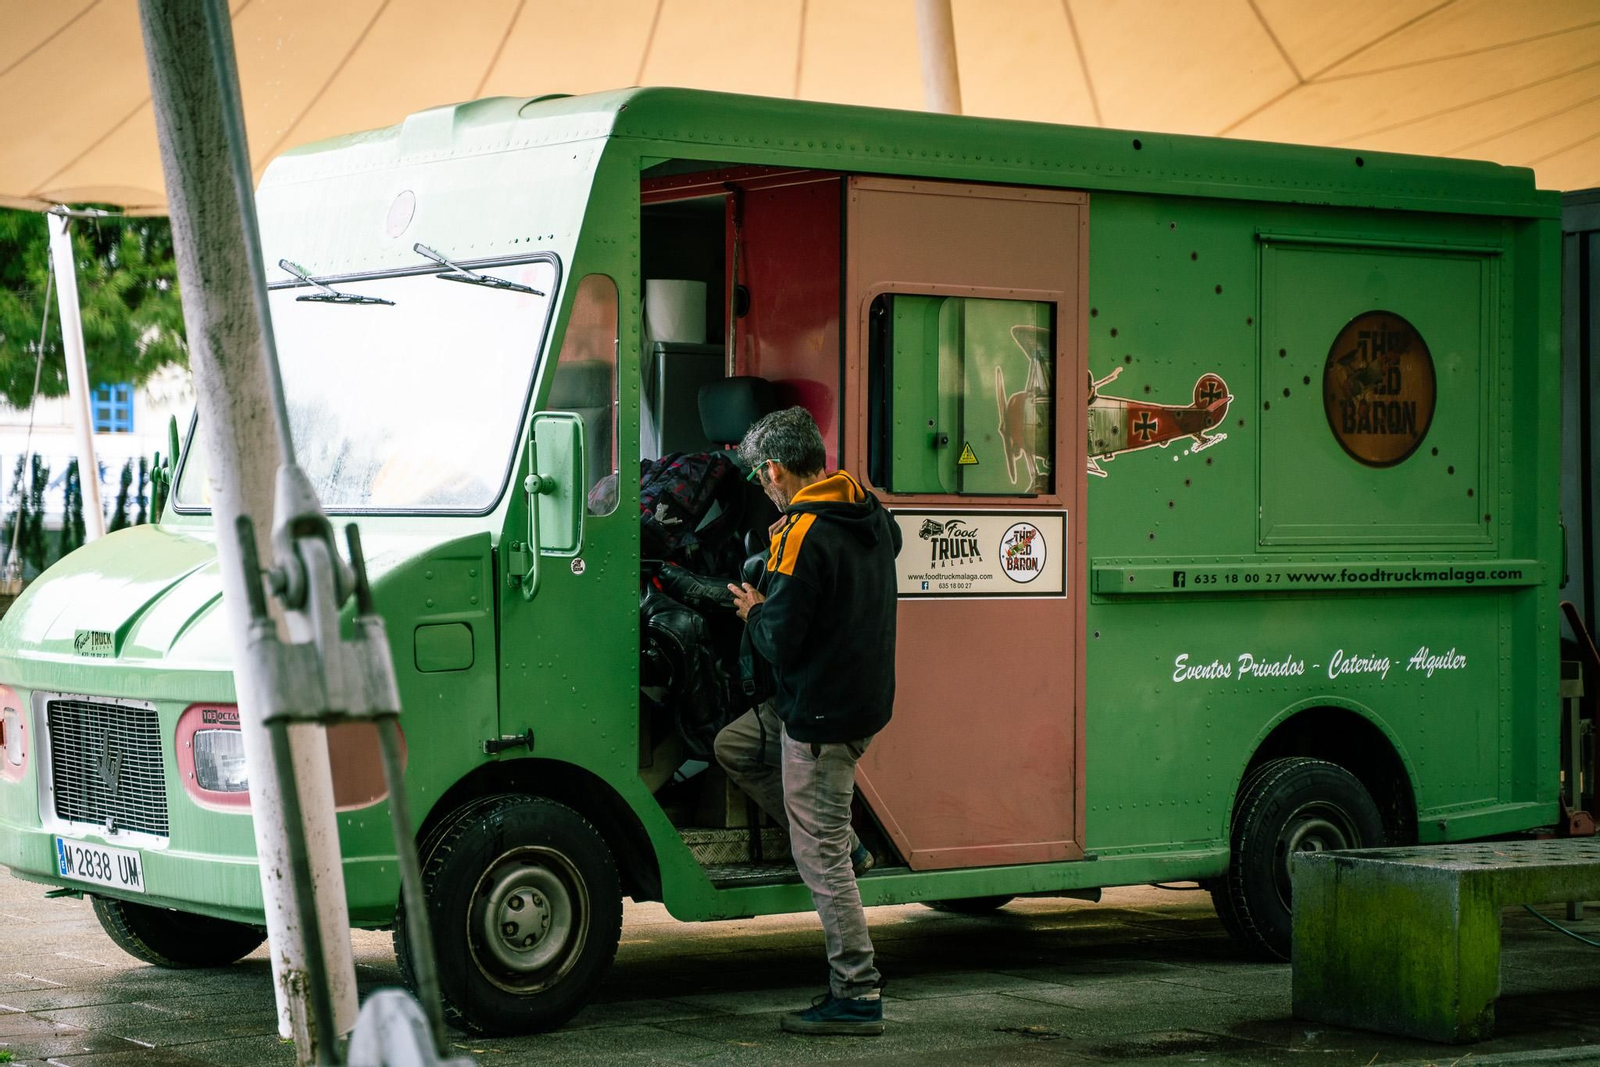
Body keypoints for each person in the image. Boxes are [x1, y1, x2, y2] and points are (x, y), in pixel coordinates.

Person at [713, 406, 902, 1036]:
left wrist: (754, 610)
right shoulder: (866, 509)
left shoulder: (798, 533)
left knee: (817, 854)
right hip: (857, 698)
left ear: (774, 470)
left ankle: (857, 990)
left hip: (821, 713)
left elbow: (781, 643)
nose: (763, 491)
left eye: (761, 480)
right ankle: (844, 841)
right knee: (736, 746)